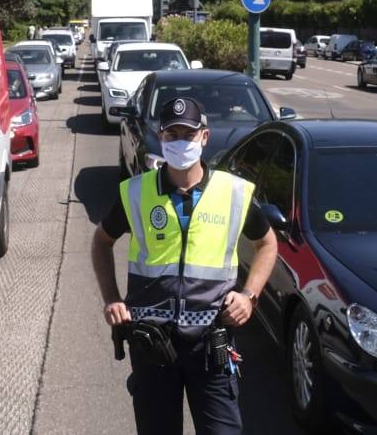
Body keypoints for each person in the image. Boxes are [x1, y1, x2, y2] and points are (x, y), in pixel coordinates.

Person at [91, 97, 278, 435]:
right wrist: (112, 299)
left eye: (187, 134)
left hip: (210, 345)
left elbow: (267, 243)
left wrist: (249, 296)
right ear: (160, 137)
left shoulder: (232, 192)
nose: (179, 142)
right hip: (152, 346)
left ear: (204, 138)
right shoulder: (136, 192)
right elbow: (101, 241)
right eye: (171, 134)